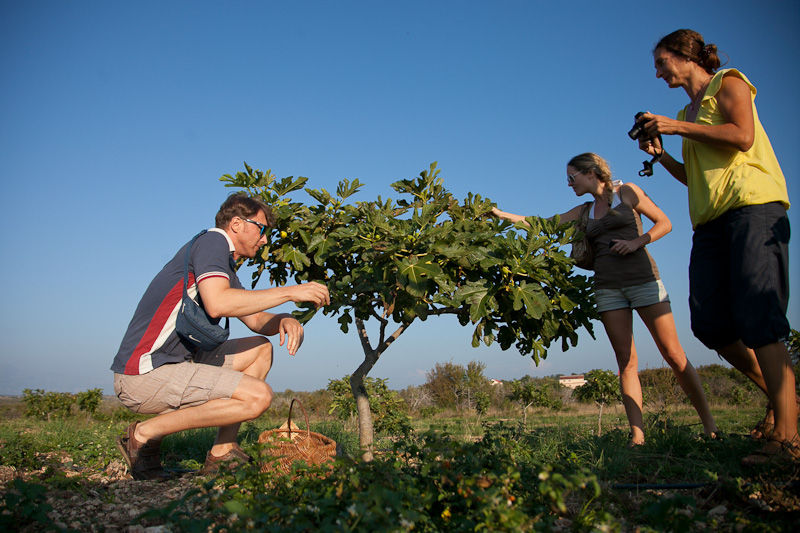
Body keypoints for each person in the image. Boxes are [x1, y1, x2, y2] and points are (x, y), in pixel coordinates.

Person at [636, 29, 797, 465]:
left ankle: (787, 438)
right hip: (709, 223)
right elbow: (694, 177)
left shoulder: (729, 83)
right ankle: (785, 400)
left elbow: (742, 136)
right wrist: (662, 153)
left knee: (759, 315)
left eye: (661, 62)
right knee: (710, 323)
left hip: (753, 207)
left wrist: (674, 125)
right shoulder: (685, 112)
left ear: (686, 56)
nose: (657, 72)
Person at [492, 152, 718, 447]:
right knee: (626, 361)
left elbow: (664, 223)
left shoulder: (628, 192)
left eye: (572, 178)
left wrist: (637, 242)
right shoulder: (583, 212)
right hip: (608, 289)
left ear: (591, 173)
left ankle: (710, 428)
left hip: (645, 281)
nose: (568, 184)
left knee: (674, 355)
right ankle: (637, 436)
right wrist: (501, 215)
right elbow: (542, 223)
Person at [110, 193, 330, 480]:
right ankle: (143, 433)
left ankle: (222, 451)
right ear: (237, 223)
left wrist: (284, 318)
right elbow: (219, 303)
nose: (264, 240)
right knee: (257, 398)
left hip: (175, 365)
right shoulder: (213, 242)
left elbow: (254, 319)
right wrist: (290, 291)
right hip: (143, 373)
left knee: (261, 350)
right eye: (262, 230)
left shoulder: (224, 264)